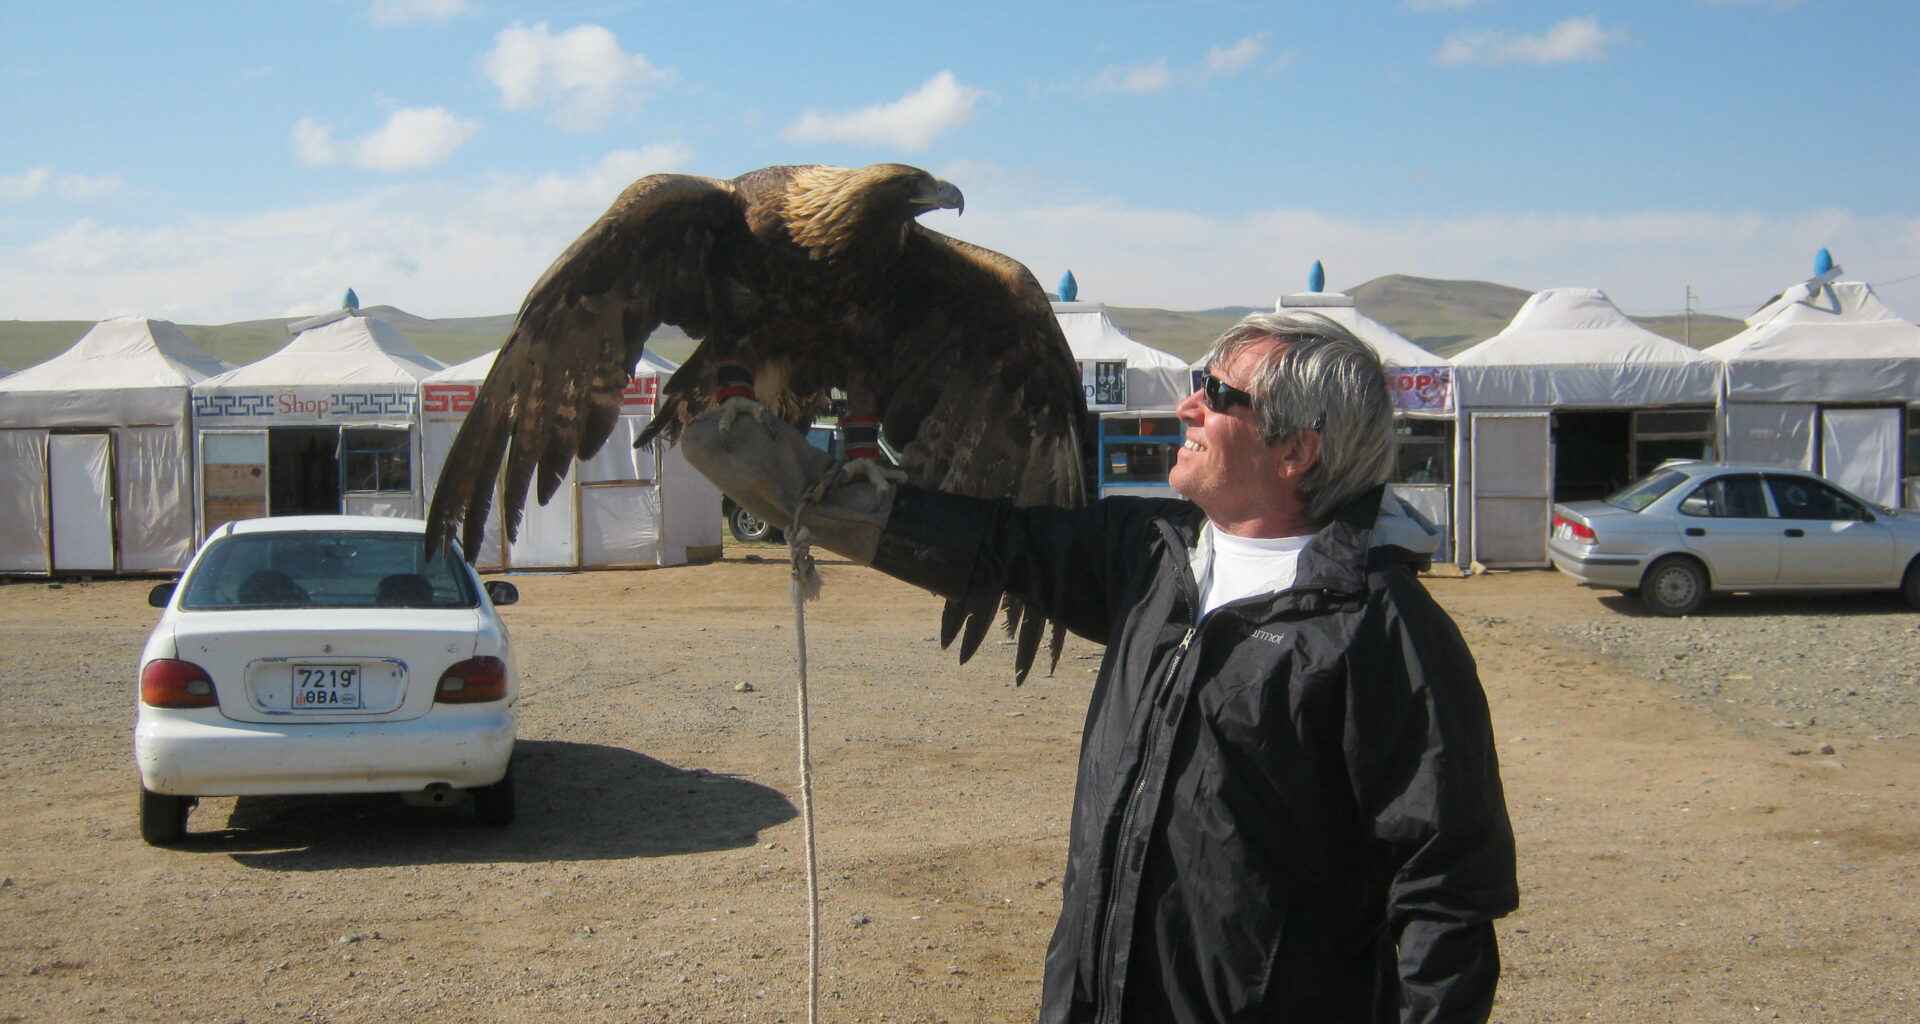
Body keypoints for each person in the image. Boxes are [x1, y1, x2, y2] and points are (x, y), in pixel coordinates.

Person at [685, 310, 1517, 1024]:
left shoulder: (1385, 631)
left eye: (1220, 394)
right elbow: (994, 545)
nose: (1188, 404)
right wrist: (818, 496)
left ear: (1297, 450)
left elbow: (1445, 899)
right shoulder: (1151, 556)